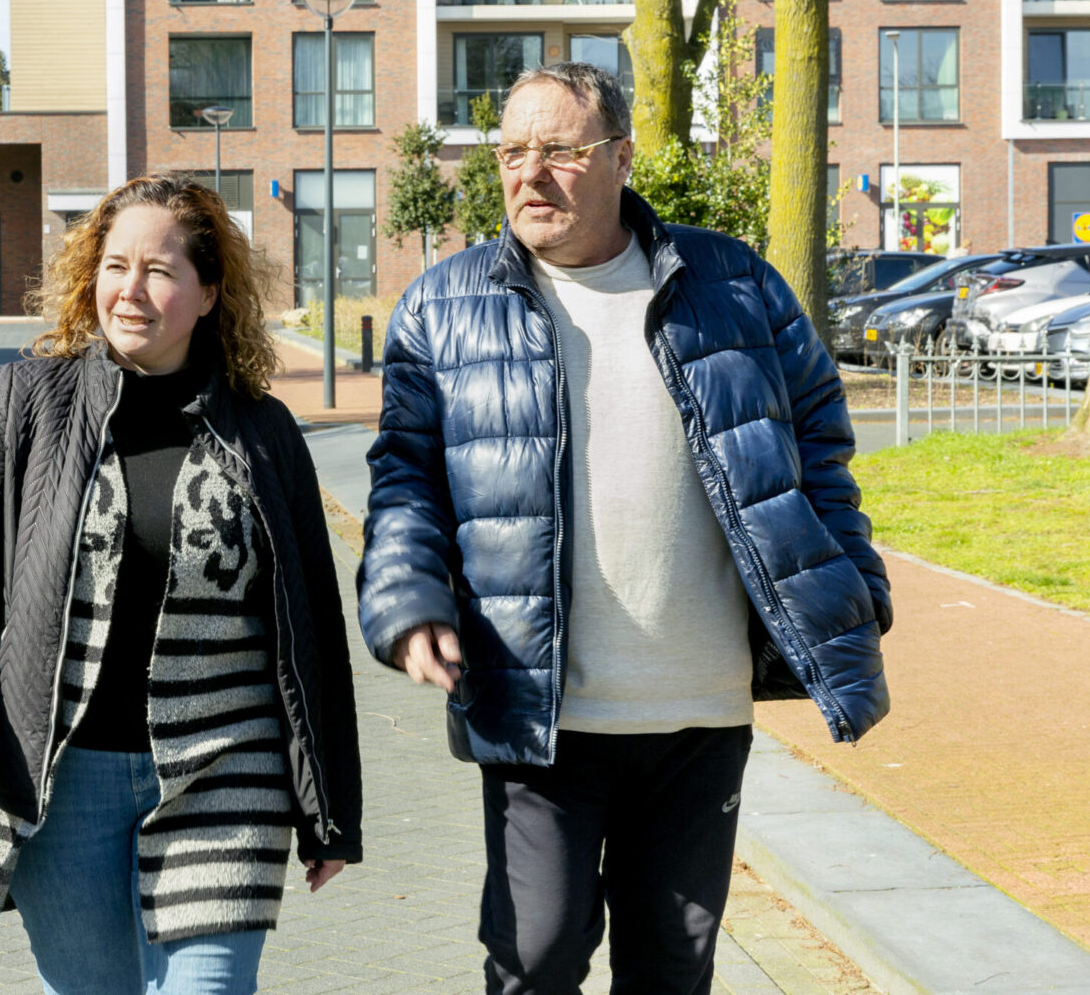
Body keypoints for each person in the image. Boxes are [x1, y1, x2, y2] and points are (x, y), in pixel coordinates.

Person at [356, 62, 892, 995]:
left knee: (672, 972)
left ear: (620, 157)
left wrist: (851, 580)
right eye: (512, 151)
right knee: (537, 956)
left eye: (559, 150)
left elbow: (818, 442)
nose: (530, 173)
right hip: (540, 709)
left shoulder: (736, 285)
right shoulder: (442, 308)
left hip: (699, 710)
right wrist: (408, 602)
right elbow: (405, 474)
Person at [0, 174, 363, 995]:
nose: (130, 290)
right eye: (114, 266)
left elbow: (312, 621)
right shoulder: (27, 403)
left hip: (227, 771)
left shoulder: (262, 429)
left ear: (210, 290)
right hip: (63, 776)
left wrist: (331, 807)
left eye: (159, 270)